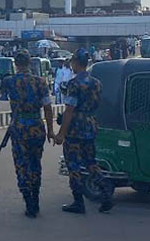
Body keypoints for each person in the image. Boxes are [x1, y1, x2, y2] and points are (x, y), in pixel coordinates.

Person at [55, 48, 114, 214]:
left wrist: (61, 133)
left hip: (76, 128)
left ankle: (78, 201)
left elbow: (69, 110)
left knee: (73, 164)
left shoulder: (74, 84)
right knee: (91, 162)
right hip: (91, 124)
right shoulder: (96, 83)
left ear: (75, 63)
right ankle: (105, 192)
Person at [0, 50, 55, 218]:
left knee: (21, 166)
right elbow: (47, 107)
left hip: (19, 127)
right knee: (35, 163)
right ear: (30, 63)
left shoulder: (9, 81)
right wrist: (51, 130)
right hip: (36, 127)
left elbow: (1, 89)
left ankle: (28, 201)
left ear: (16, 64)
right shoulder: (41, 82)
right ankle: (36, 198)